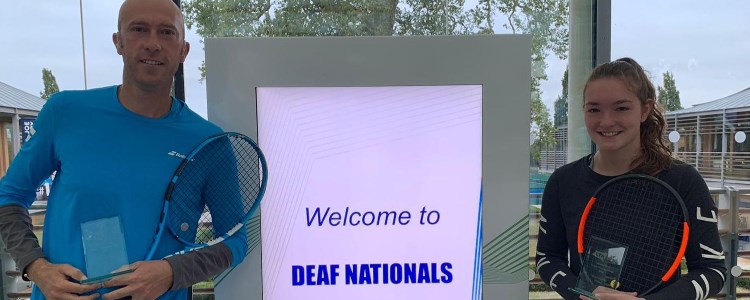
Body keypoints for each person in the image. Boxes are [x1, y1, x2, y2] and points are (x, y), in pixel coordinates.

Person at [0, 0, 247, 299]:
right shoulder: (64, 113)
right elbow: (8, 198)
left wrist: (171, 273)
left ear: (183, 50)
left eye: (167, 33)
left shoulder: (209, 143)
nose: (153, 44)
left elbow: (234, 242)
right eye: (139, 30)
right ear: (119, 42)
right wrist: (37, 268)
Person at [535, 57, 726, 299]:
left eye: (621, 108)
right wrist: (580, 294)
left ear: (645, 110)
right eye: (594, 109)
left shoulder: (682, 180)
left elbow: (712, 270)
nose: (606, 121)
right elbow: (547, 259)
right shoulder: (563, 182)